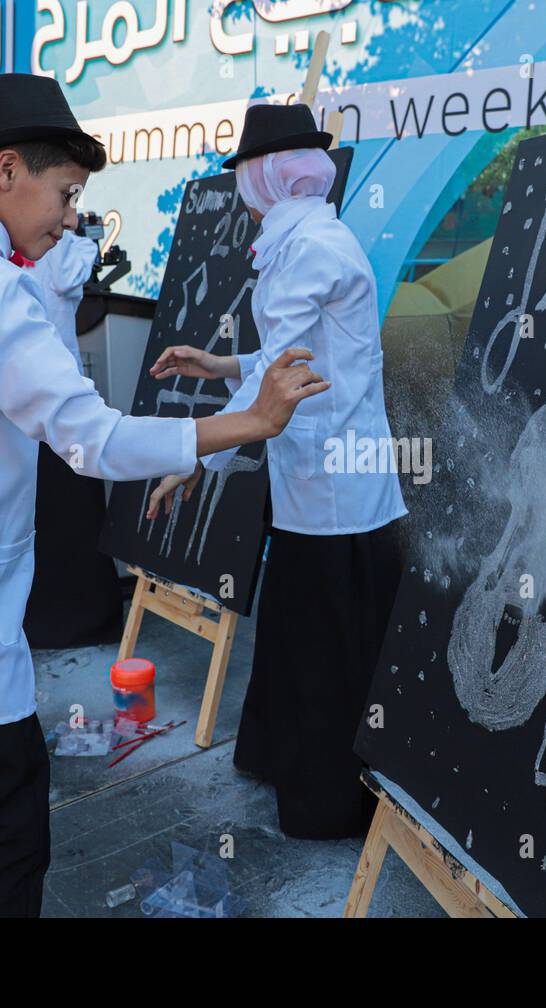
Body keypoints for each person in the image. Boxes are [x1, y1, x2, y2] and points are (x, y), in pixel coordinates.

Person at [0, 75, 328, 917]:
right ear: (6, 171)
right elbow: (95, 440)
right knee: (7, 832)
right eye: (65, 193)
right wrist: (247, 421)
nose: (69, 217)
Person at [147, 103, 407, 839]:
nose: (241, 187)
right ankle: (282, 760)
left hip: (339, 493)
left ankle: (328, 802)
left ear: (268, 174)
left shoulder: (316, 249)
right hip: (313, 480)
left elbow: (283, 376)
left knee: (327, 653)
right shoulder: (299, 243)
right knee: (303, 639)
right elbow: (281, 361)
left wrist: (197, 452)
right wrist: (220, 362)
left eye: (245, 171)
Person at [21, 227, 124, 648]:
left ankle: (48, 619)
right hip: (60, 396)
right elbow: (71, 275)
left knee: (45, 516)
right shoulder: (67, 246)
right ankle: (83, 619)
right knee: (71, 514)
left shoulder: (19, 250)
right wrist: (82, 238)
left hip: (27, 402)